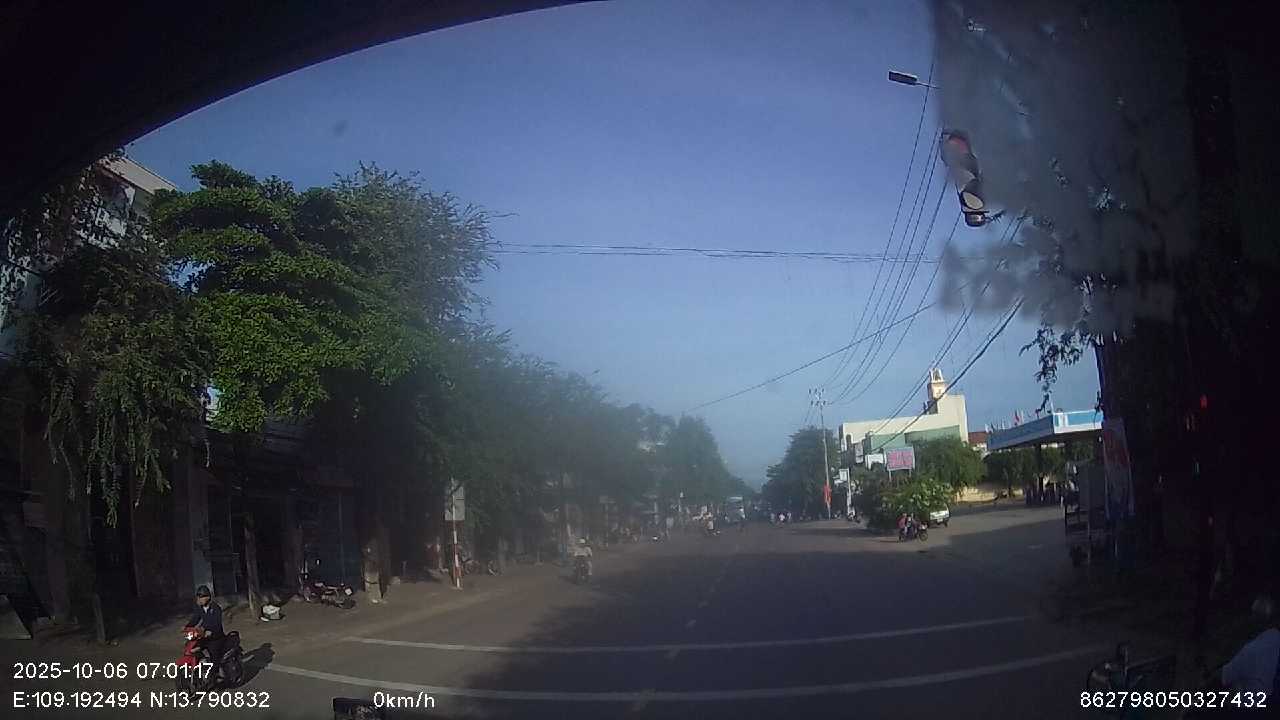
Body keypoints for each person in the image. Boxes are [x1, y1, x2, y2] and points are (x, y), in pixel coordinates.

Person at [1220, 595, 1280, 694]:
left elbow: (1223, 676)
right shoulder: (1276, 637)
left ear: (1255, 618)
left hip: (1252, 701)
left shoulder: (1251, 650)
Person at [187, 585, 226, 667]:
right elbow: (195, 619)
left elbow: (217, 623)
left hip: (216, 637)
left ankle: (216, 671)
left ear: (208, 597)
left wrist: (210, 631)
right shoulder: (200, 609)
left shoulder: (216, 608)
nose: (199, 599)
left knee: (213, 653)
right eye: (198, 597)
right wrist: (187, 627)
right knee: (192, 646)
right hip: (204, 635)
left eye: (201, 597)